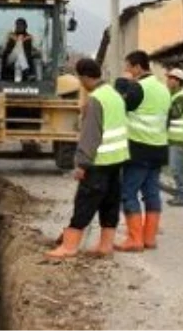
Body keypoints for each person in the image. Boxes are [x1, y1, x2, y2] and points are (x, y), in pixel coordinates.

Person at [45, 57, 136, 260]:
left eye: (80, 78)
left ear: (85, 77)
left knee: (84, 203)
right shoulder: (114, 95)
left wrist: (81, 164)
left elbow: (90, 136)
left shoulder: (96, 100)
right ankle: (105, 246)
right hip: (117, 160)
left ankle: (69, 247)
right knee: (109, 204)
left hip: (98, 163)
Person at [116, 50, 171, 252]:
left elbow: (121, 107)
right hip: (159, 149)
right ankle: (149, 238)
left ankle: (134, 239)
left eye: (128, 67)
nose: (126, 71)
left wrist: (122, 85)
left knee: (128, 192)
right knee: (151, 193)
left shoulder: (138, 88)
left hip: (139, 149)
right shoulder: (163, 89)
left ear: (138, 67)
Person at [165, 67, 183, 207]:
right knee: (176, 168)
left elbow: (174, 113)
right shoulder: (173, 96)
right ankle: (181, 194)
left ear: (178, 81)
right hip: (173, 138)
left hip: (179, 139)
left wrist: (164, 109)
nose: (167, 81)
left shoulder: (181, 97)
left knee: (177, 168)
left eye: (170, 78)